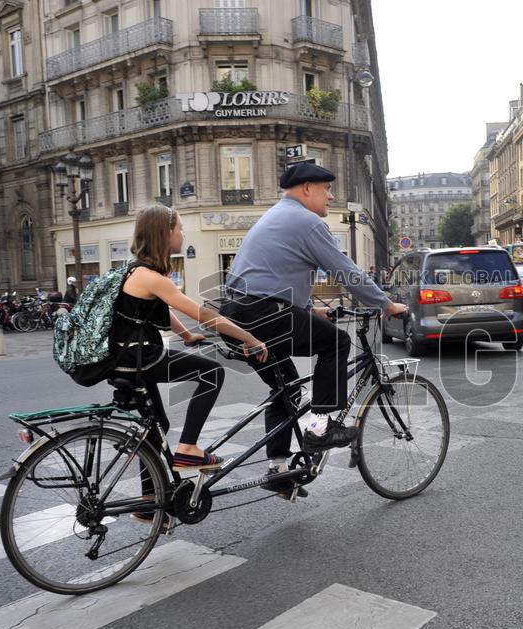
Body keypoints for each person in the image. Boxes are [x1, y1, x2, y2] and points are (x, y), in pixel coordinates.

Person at [220, 163, 407, 498]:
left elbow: (273, 275)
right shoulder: (306, 222)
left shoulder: (276, 216)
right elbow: (345, 270)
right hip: (264, 313)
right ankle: (321, 425)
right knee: (337, 341)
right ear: (306, 188)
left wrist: (309, 310)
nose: (331, 196)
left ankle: (278, 470)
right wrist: (385, 304)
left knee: (286, 388)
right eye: (326, 189)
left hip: (237, 314)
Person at [114, 205, 268, 487]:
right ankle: (188, 449)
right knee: (212, 373)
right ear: (165, 233)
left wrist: (186, 335)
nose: (183, 234)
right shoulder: (151, 277)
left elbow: (162, 309)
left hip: (121, 357)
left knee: (155, 429)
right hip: (136, 357)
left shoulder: (134, 270)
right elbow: (204, 315)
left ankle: (149, 502)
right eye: (180, 229)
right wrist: (249, 338)